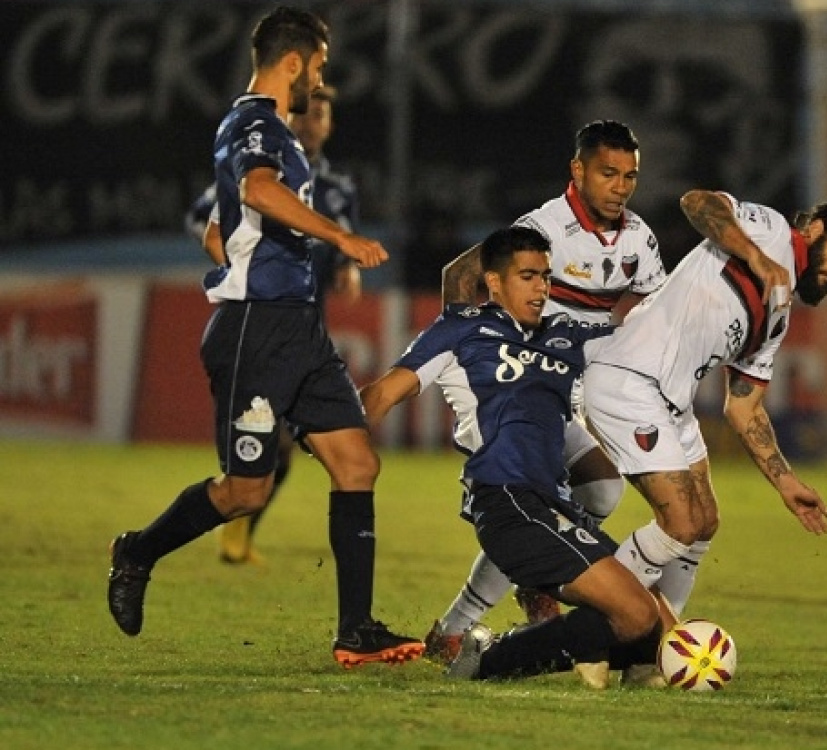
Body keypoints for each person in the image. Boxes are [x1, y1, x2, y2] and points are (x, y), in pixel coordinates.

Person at [107, 5, 423, 668]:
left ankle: (355, 629)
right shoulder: (253, 122)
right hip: (255, 329)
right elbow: (256, 190)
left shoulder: (276, 129)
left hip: (297, 325)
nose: (321, 79)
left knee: (357, 463)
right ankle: (137, 551)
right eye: (320, 66)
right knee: (246, 490)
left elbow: (228, 220)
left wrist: (234, 245)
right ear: (294, 63)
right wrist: (335, 235)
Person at [360, 225, 673, 682]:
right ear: (493, 282)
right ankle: (484, 660)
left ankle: (535, 635)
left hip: (553, 505)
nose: (541, 287)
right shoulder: (461, 331)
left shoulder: (564, 337)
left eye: (545, 276)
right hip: (505, 501)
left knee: (646, 622)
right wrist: (343, 439)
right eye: (528, 276)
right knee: (634, 616)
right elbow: (384, 392)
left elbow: (637, 348)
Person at [429, 121, 671, 670]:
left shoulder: (639, 238)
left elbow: (649, 312)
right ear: (578, 171)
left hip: (571, 394)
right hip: (519, 395)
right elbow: (461, 275)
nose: (620, 187)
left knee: (600, 493)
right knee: (535, 499)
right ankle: (461, 625)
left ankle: (533, 585)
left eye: (630, 176)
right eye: (609, 173)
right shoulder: (544, 228)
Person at [582, 190, 827, 626]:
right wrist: (756, 258)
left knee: (703, 522)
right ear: (815, 231)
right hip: (628, 379)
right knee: (679, 523)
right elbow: (696, 203)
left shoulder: (778, 316)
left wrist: (786, 482)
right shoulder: (771, 231)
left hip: (670, 402)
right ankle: (585, 633)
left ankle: (659, 649)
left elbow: (745, 409)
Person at [185, 84, 362, 565]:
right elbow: (206, 217)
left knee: (339, 457)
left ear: (329, 124)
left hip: (307, 327)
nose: (312, 120)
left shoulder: (338, 189)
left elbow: (340, 255)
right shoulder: (264, 156)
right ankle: (230, 530)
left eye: (323, 113)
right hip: (261, 321)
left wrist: (347, 270)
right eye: (310, 109)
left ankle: (240, 530)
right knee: (276, 450)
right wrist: (242, 274)